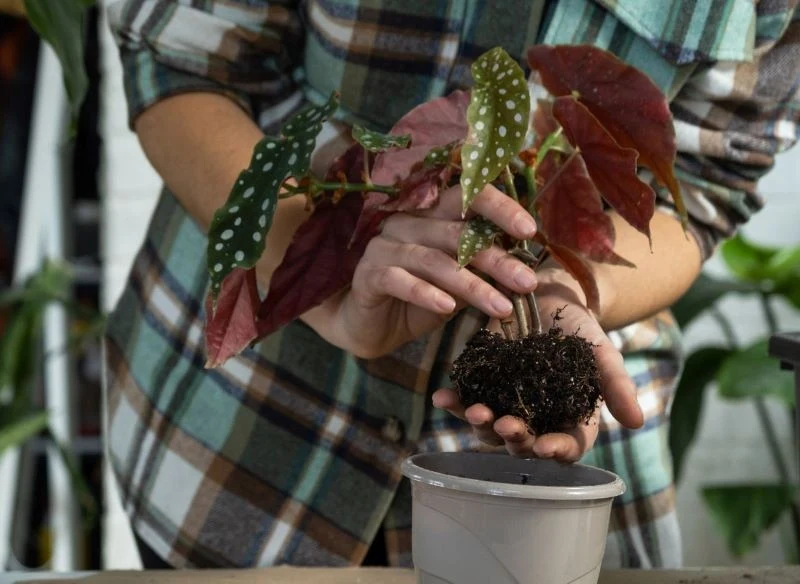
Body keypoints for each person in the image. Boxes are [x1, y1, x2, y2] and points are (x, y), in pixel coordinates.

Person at [103, 0, 800, 571]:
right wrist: (322, 285)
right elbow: (179, 58)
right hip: (243, 447)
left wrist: (564, 291)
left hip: (544, 527)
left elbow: (706, 186)